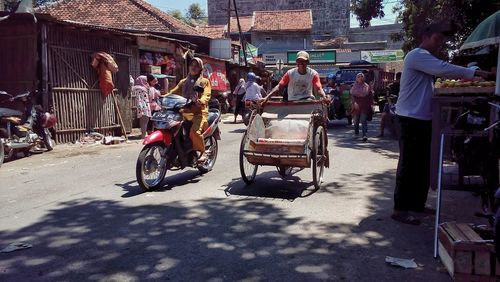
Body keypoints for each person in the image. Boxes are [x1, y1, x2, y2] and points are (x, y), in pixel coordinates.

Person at [392, 22, 493, 225]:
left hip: (422, 117)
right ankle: (400, 209)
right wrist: (477, 73)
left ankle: (417, 205)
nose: (439, 44)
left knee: (422, 164)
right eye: (437, 39)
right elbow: (444, 69)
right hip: (409, 118)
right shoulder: (417, 55)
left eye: (441, 40)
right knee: (409, 164)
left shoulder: (426, 58)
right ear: (426, 37)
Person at [163, 57, 211, 162]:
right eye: (192, 65)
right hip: (184, 111)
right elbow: (173, 92)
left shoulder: (204, 81)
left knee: (194, 132)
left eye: (196, 66)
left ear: (200, 68)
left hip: (199, 112)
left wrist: (202, 101)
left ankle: (202, 152)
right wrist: (163, 97)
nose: (193, 68)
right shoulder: (183, 82)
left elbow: (207, 94)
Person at [350, 73, 373, 142]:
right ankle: (356, 132)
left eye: (361, 76)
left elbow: (370, 96)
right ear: (356, 78)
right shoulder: (354, 86)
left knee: (363, 120)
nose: (360, 78)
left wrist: (371, 105)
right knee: (356, 121)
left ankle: (364, 135)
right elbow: (352, 96)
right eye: (359, 77)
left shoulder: (367, 86)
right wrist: (354, 103)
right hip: (356, 106)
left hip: (364, 106)